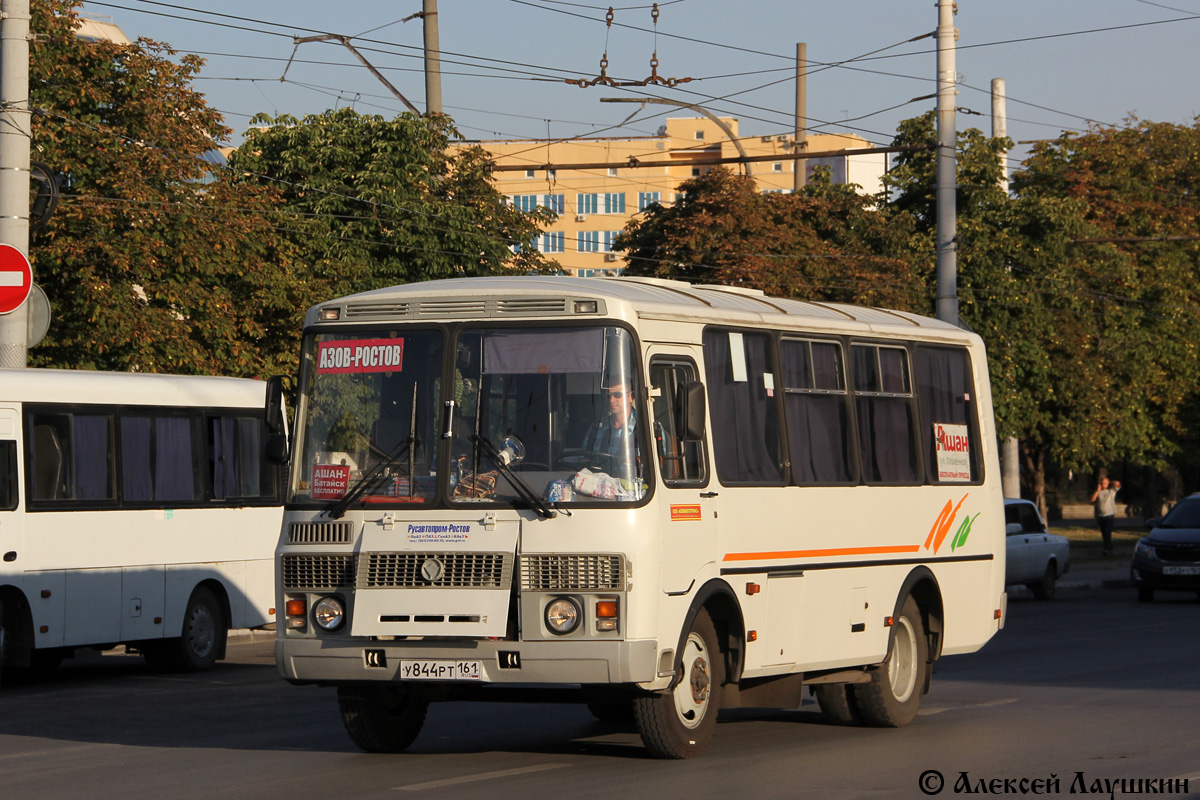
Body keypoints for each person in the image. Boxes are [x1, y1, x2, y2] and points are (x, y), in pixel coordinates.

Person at [1090, 475, 1121, 556]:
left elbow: (1117, 484)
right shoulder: (1099, 492)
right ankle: (1109, 547)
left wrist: (1109, 482)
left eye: (1105, 483)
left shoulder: (1111, 491)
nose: (1103, 485)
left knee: (1107, 532)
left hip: (1109, 515)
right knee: (1104, 533)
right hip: (1101, 516)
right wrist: (1097, 490)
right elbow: (1092, 500)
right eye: (1102, 483)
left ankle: (1106, 549)